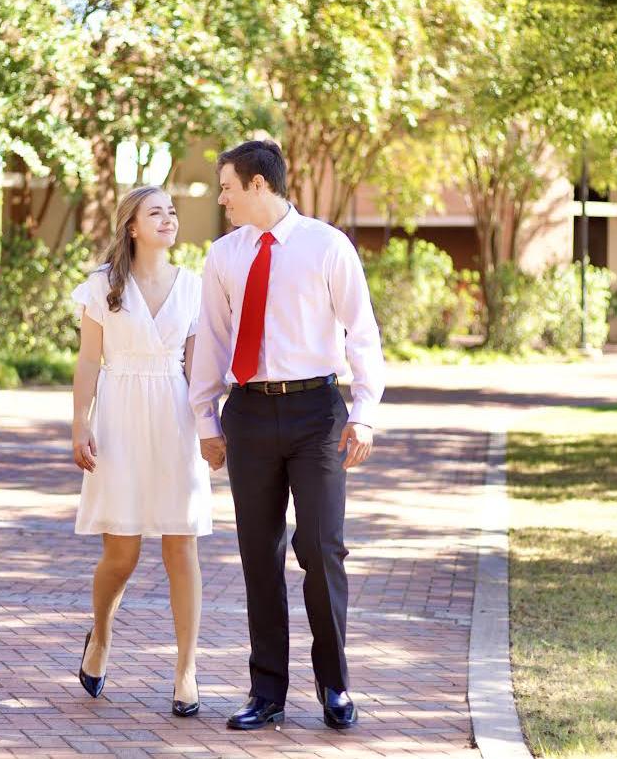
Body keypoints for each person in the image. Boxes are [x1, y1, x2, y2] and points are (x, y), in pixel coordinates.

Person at [189, 139, 385, 732]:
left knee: (322, 550)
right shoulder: (224, 256)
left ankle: (335, 688)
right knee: (259, 554)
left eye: (227, 186)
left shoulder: (327, 246)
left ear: (257, 186)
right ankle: (266, 692)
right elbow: (214, 340)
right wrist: (207, 421)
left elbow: (362, 333)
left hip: (316, 413)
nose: (220, 198)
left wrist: (365, 412)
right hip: (248, 413)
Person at [70, 185, 211, 717]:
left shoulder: (194, 287)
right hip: (120, 415)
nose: (169, 219)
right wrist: (79, 424)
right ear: (132, 226)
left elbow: (199, 369)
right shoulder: (101, 287)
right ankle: (101, 637)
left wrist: (210, 429)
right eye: (157, 212)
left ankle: (186, 670)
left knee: (182, 544)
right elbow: (88, 362)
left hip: (174, 416)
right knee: (122, 553)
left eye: (173, 212)